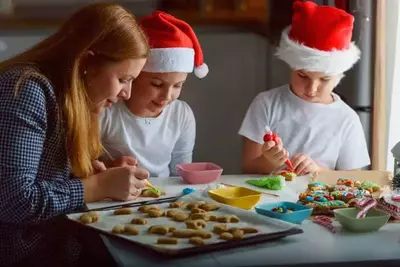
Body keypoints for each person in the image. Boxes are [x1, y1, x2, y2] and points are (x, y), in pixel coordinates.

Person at [0, 3, 150, 266]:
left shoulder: (72, 98)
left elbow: (44, 173)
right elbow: (13, 201)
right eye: (123, 79)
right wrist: (96, 187)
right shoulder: (25, 90)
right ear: (86, 62)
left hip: (59, 243)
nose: (127, 93)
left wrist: (93, 176)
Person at [239, 1, 370, 175]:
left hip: (316, 201)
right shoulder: (266, 104)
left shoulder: (347, 119)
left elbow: (354, 180)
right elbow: (248, 167)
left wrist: (318, 171)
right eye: (302, 76)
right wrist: (270, 161)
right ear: (292, 67)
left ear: (339, 76)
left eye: (324, 79)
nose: (311, 88)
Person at [99, 11, 208, 178]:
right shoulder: (107, 111)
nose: (167, 96)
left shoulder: (181, 115)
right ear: (133, 76)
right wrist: (110, 168)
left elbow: (180, 173)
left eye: (178, 85)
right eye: (157, 84)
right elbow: (84, 168)